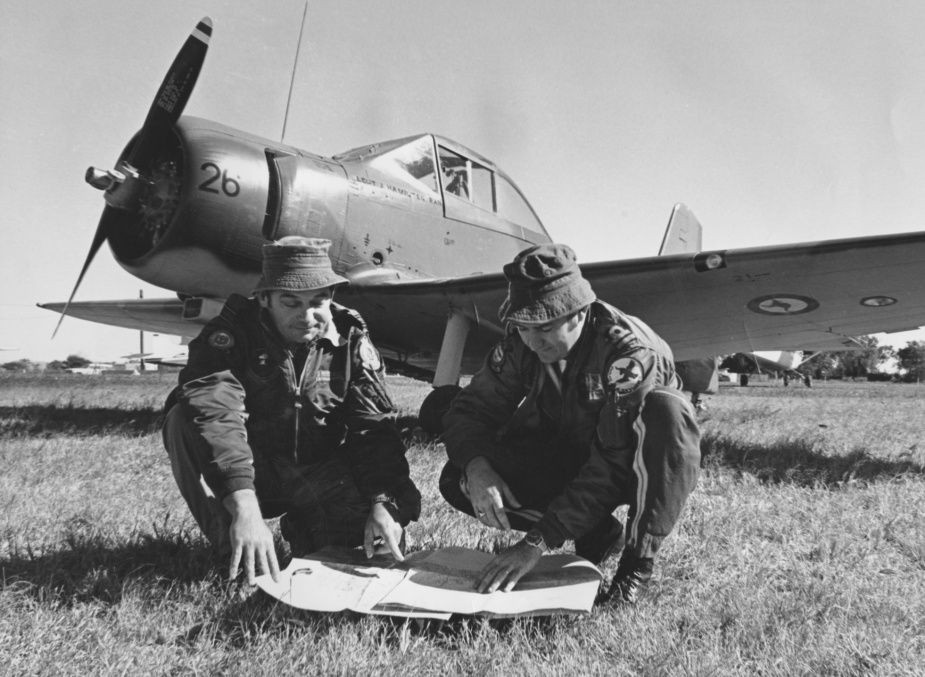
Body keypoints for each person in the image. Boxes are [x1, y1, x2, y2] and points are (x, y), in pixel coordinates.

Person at [440, 243, 701, 605]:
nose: (532, 342)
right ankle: (595, 532)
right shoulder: (523, 343)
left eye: (544, 327)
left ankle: (637, 562)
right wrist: (478, 467)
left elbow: (611, 461)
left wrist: (537, 541)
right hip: (567, 448)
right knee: (458, 480)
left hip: (629, 464)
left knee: (666, 411)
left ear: (578, 313)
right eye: (523, 326)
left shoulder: (628, 355)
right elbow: (471, 410)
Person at [163, 237, 420, 585]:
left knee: (367, 558)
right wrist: (244, 506)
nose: (307, 316)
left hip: (321, 473)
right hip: (252, 474)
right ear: (264, 298)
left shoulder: (351, 340)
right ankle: (235, 553)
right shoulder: (232, 333)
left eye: (318, 301)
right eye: (291, 302)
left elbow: (374, 428)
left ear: (332, 296)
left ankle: (305, 526)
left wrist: (383, 501)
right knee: (182, 418)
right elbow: (216, 415)